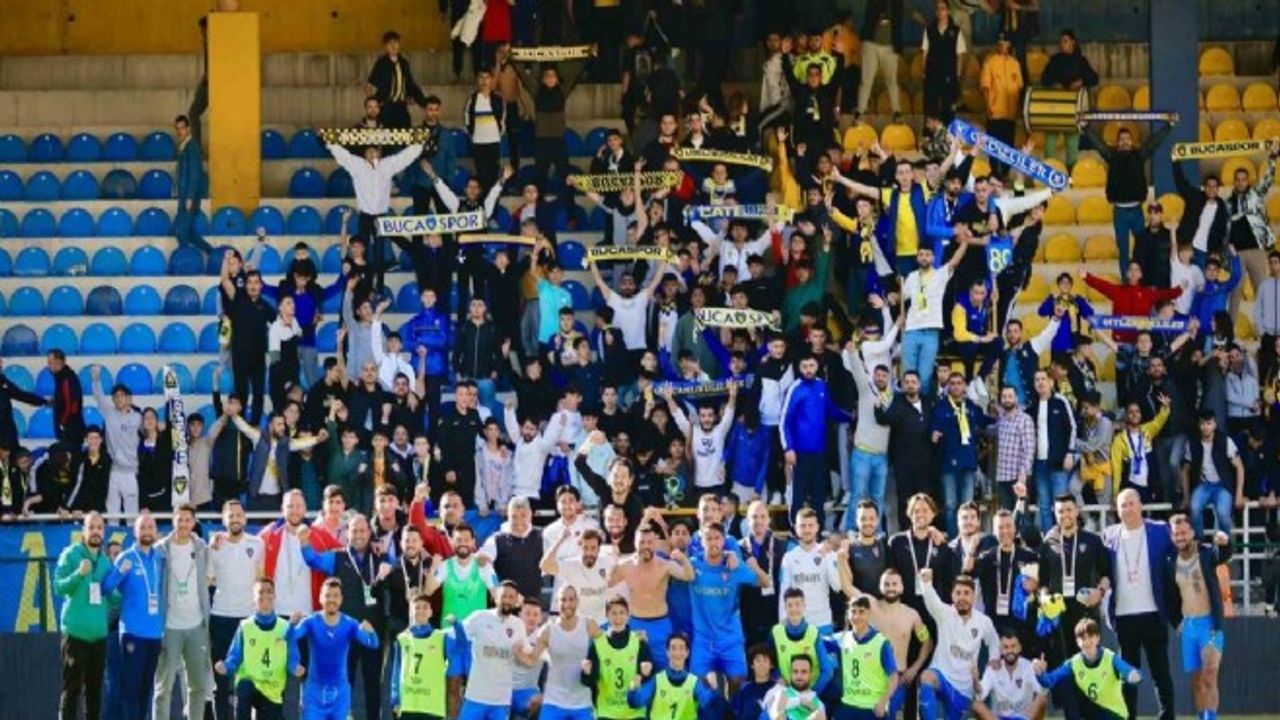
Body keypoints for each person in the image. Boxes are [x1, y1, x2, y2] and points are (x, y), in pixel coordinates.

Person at [1100, 489, 1176, 720]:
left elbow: (1181, 555)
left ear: (1141, 505)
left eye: (1131, 503)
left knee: (1161, 674)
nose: (1128, 509)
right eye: (1123, 505)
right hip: (1124, 616)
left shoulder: (1160, 531)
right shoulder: (1108, 536)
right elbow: (1101, 570)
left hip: (1153, 614)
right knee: (1127, 677)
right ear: (1117, 510)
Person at [326, 139, 425, 296]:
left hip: (381, 216)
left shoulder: (387, 165)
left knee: (379, 253)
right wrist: (330, 143)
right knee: (363, 254)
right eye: (369, 151)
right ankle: (362, 287)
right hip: (365, 216)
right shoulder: (357, 165)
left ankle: (379, 288)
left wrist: (419, 145)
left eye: (375, 151)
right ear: (365, 154)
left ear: (379, 153)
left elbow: (404, 158)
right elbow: (343, 156)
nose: (372, 154)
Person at [1082, 120, 1176, 275]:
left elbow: (1154, 142)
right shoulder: (1111, 156)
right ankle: (1126, 282)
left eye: (1127, 139)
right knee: (1123, 250)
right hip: (1120, 213)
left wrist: (1168, 126)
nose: (1125, 142)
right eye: (1122, 139)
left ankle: (1141, 279)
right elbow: (1098, 144)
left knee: (1142, 247)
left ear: (1132, 141)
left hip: (1136, 211)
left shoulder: (1139, 155)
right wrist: (1086, 128)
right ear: (1117, 143)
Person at [687, 522, 770, 692]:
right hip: (703, 640)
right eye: (708, 538)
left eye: (717, 538)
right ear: (702, 541)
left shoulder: (734, 566)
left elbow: (765, 582)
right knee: (695, 686)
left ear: (724, 540)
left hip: (730, 640)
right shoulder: (693, 565)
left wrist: (752, 565)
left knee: (739, 684)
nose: (713, 542)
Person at [1167, 514, 1232, 720]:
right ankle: (1203, 717)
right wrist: (1177, 622)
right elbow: (1169, 597)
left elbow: (1223, 555)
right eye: (1176, 534)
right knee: (1197, 681)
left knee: (1209, 676)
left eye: (1184, 533)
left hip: (1209, 623)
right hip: (1189, 626)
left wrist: (1225, 542)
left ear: (1193, 533)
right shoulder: (1171, 561)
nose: (1180, 537)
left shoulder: (1205, 554)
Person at [287, 578, 381, 720]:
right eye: (327, 595)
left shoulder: (350, 624)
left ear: (341, 599)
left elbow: (373, 644)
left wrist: (372, 632)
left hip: (340, 697)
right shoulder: (310, 622)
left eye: (335, 596)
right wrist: (292, 624)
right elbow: (291, 636)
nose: (331, 600)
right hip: (314, 696)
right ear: (320, 598)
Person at [152, 505, 213, 720]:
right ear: (173, 521)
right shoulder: (161, 549)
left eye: (188, 520)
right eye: (180, 520)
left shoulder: (202, 548)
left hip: (197, 627)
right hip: (169, 627)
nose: (184, 524)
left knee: (197, 687)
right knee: (163, 688)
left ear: (194, 523)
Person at [207, 499, 266, 720]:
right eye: (230, 516)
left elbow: (260, 580)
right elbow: (209, 580)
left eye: (238, 515)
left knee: (251, 679)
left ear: (245, 518)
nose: (235, 519)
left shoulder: (257, 544)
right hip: (221, 617)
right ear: (224, 520)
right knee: (221, 679)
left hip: (249, 619)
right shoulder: (215, 546)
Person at [103, 512, 165, 720]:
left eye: (150, 527)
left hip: (154, 634)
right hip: (132, 634)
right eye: (142, 528)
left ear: (156, 531)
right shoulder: (126, 557)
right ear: (135, 532)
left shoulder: (158, 557)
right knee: (131, 691)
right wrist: (119, 572)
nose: (147, 531)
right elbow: (107, 588)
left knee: (146, 691)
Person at [54, 511, 115, 720]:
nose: (96, 532)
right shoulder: (71, 554)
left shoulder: (105, 562)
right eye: (91, 527)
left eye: (100, 528)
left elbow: (113, 597)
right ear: (83, 530)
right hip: (75, 635)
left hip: (98, 637)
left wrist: (123, 582)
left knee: (94, 695)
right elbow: (58, 587)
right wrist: (79, 574)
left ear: (104, 532)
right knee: (71, 692)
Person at [780, 355, 853, 528]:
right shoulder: (795, 388)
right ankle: (795, 530)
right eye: (804, 366)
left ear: (817, 366)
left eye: (811, 365)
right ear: (800, 368)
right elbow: (784, 421)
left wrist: (850, 417)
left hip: (819, 451)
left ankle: (818, 531)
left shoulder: (822, 385)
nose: (808, 370)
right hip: (799, 453)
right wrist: (788, 447)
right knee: (798, 495)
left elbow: (830, 410)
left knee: (818, 494)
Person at [917, 570, 1000, 720]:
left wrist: (994, 658)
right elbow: (931, 600)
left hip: (964, 690)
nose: (962, 597)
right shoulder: (944, 614)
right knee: (927, 676)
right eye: (958, 593)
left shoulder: (983, 621)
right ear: (952, 595)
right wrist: (926, 583)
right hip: (942, 677)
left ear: (974, 596)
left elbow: (993, 640)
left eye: (966, 593)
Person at [215, 578, 303, 720]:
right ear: (254, 597)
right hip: (249, 682)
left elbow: (292, 656)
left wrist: (295, 667)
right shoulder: (245, 626)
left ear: (275, 596)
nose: (265, 595)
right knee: (244, 687)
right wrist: (226, 667)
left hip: (272, 690)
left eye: (269, 591)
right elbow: (235, 657)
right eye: (261, 592)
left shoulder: (285, 627)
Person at [452, 581, 541, 720]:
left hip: (501, 700)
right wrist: (452, 624)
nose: (507, 600)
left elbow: (528, 652)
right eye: (503, 596)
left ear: (516, 601)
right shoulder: (479, 617)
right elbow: (456, 634)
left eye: (511, 597)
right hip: (476, 696)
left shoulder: (518, 625)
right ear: (495, 597)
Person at [1033, 618, 1143, 720]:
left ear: (1098, 638)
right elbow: (1049, 680)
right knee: (1064, 681)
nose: (1087, 642)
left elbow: (1127, 670)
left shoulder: (1110, 658)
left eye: (1091, 636)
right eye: (1083, 638)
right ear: (1077, 642)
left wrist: (1133, 675)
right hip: (1091, 711)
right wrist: (1039, 672)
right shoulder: (1074, 663)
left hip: (1113, 715)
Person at [932, 373, 995, 534]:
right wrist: (934, 433)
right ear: (948, 387)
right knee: (951, 504)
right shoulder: (941, 407)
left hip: (968, 462)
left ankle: (968, 538)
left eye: (959, 383)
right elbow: (934, 426)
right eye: (952, 383)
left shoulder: (971, 406)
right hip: (948, 463)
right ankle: (953, 540)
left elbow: (984, 420)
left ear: (965, 386)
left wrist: (999, 416)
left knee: (967, 505)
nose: (956, 386)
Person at [390, 592, 458, 720]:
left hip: (433, 708)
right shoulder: (402, 639)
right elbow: (396, 671)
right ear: (410, 612)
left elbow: (457, 658)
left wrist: (457, 627)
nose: (421, 611)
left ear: (431, 612)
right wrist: (395, 698)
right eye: (417, 607)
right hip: (408, 706)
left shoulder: (442, 638)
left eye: (425, 607)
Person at [586, 596, 655, 720]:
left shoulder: (638, 641)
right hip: (607, 711)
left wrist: (645, 674)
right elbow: (589, 681)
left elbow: (649, 675)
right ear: (607, 616)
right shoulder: (598, 644)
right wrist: (587, 672)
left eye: (622, 613)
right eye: (614, 613)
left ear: (628, 615)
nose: (618, 617)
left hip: (634, 712)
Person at [1180, 409, 1246, 539]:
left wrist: (1239, 494)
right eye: (1202, 423)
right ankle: (1200, 544)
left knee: (1223, 513)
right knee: (1194, 509)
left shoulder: (1225, 441)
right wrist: (1186, 497)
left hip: (1222, 486)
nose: (1205, 427)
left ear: (1215, 425)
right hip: (1203, 485)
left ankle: (1225, 545)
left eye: (1209, 423)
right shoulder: (1192, 443)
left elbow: (1240, 467)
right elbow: (1184, 470)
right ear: (1199, 425)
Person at [1038, 29, 1098, 167]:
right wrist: (1054, 84)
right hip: (1056, 108)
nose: (1062, 44)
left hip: (1073, 109)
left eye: (1065, 41)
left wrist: (1082, 81)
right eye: (1061, 41)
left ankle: (1071, 173)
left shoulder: (1081, 61)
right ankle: (1048, 170)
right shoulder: (1055, 60)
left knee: (1072, 145)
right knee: (1050, 143)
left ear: (1072, 42)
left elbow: (1094, 79)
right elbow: (1044, 79)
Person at [626, 633, 720, 720]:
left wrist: (714, 688)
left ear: (687, 653)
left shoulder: (694, 683)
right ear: (667, 652)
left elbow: (710, 704)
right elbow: (635, 702)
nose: (677, 653)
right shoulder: (657, 680)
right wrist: (633, 689)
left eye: (681, 648)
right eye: (673, 648)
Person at [90, 365, 142, 516]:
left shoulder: (138, 417)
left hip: (131, 471)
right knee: (112, 512)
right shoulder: (109, 413)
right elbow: (99, 396)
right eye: (116, 397)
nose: (119, 399)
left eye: (122, 396)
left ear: (128, 398)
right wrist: (96, 379)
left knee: (132, 513)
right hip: (113, 471)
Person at [972, 630, 1046, 720]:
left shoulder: (1028, 667)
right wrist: (975, 680)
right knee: (977, 706)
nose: (1010, 651)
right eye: (1006, 647)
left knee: (1041, 699)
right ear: (1001, 650)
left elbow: (1042, 691)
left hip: (1024, 718)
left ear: (1019, 648)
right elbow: (980, 695)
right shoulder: (992, 669)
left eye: (1013, 646)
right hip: (999, 718)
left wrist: (1042, 674)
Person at [980, 33, 1024, 179]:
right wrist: (988, 108)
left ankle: (1004, 174)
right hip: (995, 112)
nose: (1002, 45)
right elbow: (985, 88)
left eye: (1004, 42)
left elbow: (1019, 88)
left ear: (1009, 44)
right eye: (999, 43)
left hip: (1010, 113)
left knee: (1008, 145)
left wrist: (1018, 109)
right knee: (993, 145)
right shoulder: (990, 62)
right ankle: (995, 173)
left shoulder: (1015, 64)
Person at [365, 30, 429, 128]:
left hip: (401, 105)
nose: (393, 46)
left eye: (395, 42)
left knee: (405, 131)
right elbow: (369, 85)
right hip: (386, 105)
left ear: (399, 45)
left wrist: (422, 102)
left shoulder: (404, 63)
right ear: (385, 46)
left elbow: (410, 85)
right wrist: (374, 102)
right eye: (390, 43)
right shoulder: (381, 63)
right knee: (386, 133)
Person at [857, 0, 906, 121]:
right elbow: (870, 18)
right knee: (866, 80)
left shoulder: (898, 3)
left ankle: (896, 112)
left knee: (892, 81)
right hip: (871, 43)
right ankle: (860, 111)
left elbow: (898, 23)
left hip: (890, 45)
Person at [174, 114, 212, 254]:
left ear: (188, 128)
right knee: (190, 233)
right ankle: (212, 252)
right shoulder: (183, 147)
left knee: (181, 232)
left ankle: (185, 260)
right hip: (184, 195)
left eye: (182, 128)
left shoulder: (192, 147)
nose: (180, 131)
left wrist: (190, 196)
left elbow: (195, 173)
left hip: (189, 196)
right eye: (177, 128)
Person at [765, 655, 826, 720]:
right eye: (795, 671)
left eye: (804, 672)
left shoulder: (819, 705)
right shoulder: (779, 692)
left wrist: (813, 708)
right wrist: (800, 701)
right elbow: (772, 712)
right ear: (791, 673)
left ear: (810, 674)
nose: (799, 676)